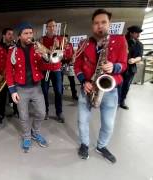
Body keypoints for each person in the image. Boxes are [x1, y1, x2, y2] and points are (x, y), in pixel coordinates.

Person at [74, 9, 127, 163]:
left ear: (109, 24)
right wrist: (84, 81)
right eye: (96, 23)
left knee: (108, 125)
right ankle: (84, 144)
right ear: (92, 25)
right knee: (82, 121)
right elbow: (77, 66)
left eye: (103, 22)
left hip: (109, 90)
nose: (100, 26)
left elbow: (124, 65)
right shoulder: (84, 43)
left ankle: (101, 146)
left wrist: (114, 67)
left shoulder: (119, 40)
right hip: (88, 88)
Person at [6, 22, 52, 153]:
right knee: (24, 116)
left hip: (37, 87)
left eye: (31, 33)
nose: (29, 36)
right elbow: (9, 72)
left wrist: (45, 56)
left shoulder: (37, 48)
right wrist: (12, 91)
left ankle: (35, 132)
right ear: (19, 36)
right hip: (20, 89)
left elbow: (46, 67)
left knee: (42, 113)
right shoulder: (12, 51)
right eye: (26, 33)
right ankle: (26, 136)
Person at [0, 28, 18, 123]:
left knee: (15, 96)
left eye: (12, 34)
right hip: (1, 76)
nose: (11, 36)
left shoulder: (15, 47)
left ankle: (16, 111)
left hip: (13, 76)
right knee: (2, 97)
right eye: (9, 34)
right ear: (4, 36)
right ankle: (1, 115)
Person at [41, 19, 65, 123]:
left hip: (56, 69)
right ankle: (45, 111)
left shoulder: (60, 39)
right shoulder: (42, 40)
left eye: (54, 26)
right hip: (45, 69)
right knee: (44, 92)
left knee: (58, 92)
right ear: (46, 28)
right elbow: (41, 56)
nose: (52, 28)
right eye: (50, 26)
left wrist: (58, 47)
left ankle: (59, 112)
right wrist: (47, 51)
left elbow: (63, 56)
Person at [118, 25, 143, 110]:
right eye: (136, 33)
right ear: (131, 33)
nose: (138, 35)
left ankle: (122, 101)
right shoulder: (122, 40)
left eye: (139, 33)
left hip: (131, 69)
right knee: (118, 85)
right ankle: (115, 100)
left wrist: (135, 60)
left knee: (126, 86)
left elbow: (140, 56)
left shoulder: (139, 44)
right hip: (120, 68)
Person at [61, 35, 78, 100]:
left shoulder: (70, 44)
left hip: (69, 64)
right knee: (60, 81)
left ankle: (74, 94)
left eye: (66, 39)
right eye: (63, 39)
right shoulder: (59, 46)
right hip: (61, 64)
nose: (65, 40)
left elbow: (73, 53)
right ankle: (60, 94)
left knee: (72, 80)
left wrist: (73, 58)